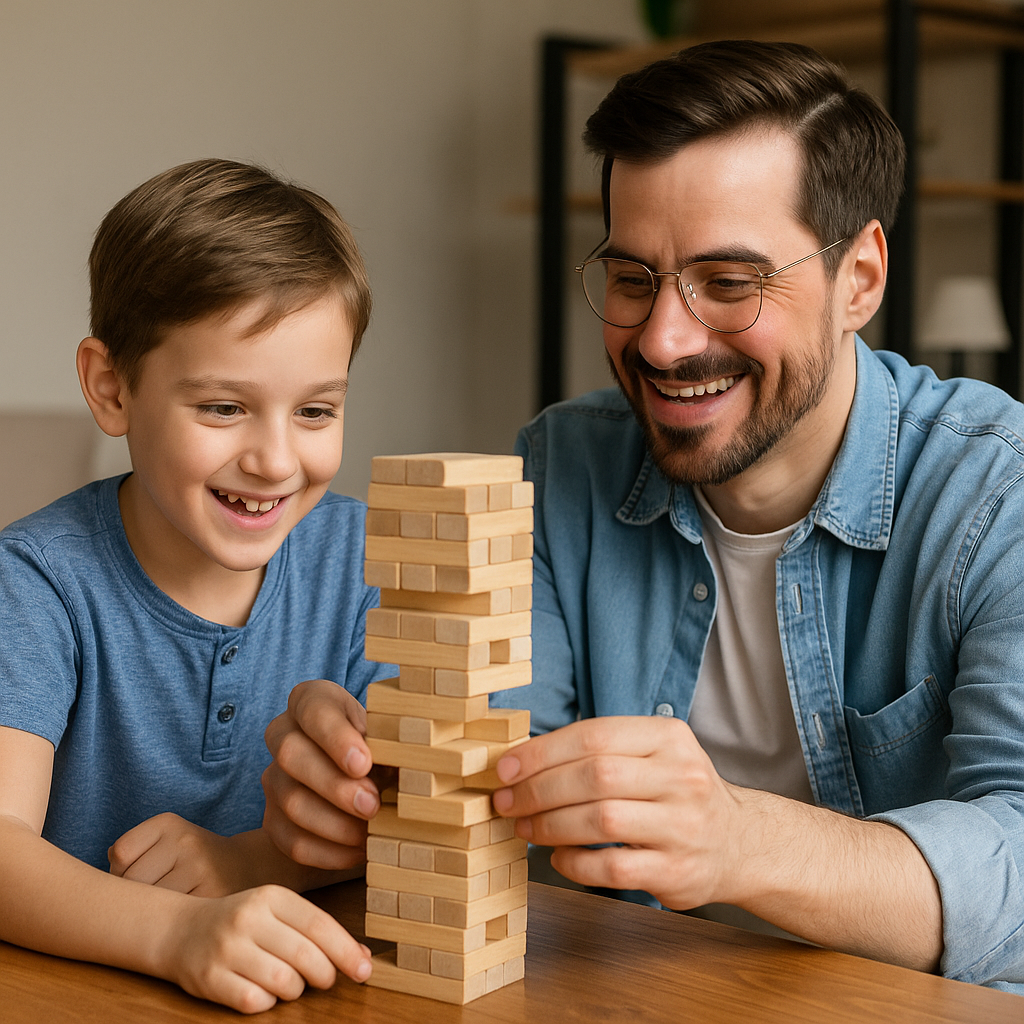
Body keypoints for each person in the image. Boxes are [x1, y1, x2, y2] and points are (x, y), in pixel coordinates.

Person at [259, 41, 1024, 993]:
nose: (662, 340)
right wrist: (373, 794)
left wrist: (739, 840)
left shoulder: (998, 494)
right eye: (631, 279)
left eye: (730, 284)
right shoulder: (556, 465)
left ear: (859, 278)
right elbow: (489, 773)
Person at [0, 158, 396, 1013]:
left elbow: (414, 825)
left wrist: (255, 861)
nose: (276, 460)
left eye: (316, 411)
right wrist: (175, 932)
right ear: (112, 388)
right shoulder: (36, 583)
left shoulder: (371, 561)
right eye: (222, 407)